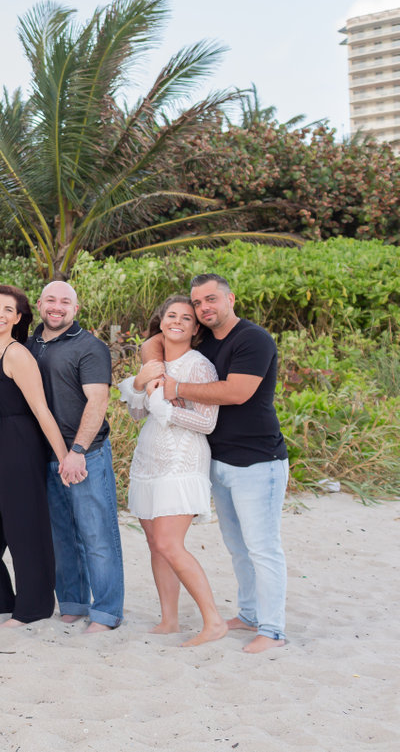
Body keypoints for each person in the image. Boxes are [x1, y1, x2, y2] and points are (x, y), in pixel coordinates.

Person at [137, 273, 289, 653]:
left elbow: (237, 392)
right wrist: (155, 370)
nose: (204, 307)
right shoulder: (205, 338)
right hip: (218, 460)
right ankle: (250, 614)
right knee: (237, 546)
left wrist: (174, 388)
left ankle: (272, 629)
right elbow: (154, 340)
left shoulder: (252, 339)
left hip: (258, 460)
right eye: (197, 302)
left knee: (262, 547)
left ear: (230, 299)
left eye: (211, 299)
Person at [118, 295, 226, 647]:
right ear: (161, 321)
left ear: (195, 329)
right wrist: (140, 384)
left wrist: (166, 408)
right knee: (156, 545)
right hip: (149, 459)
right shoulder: (155, 363)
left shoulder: (199, 366)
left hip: (182, 460)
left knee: (169, 543)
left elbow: (207, 423)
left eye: (186, 318)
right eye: (171, 316)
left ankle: (213, 621)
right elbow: (137, 414)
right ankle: (169, 620)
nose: (177, 321)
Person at [0, 285, 70, 626]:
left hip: (21, 444)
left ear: (18, 318)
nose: (0, 314)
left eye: (9, 310)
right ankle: (1, 602)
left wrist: (64, 458)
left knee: (24, 530)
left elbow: (41, 410)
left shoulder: (18, 355)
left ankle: (33, 609)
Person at [28, 280, 125, 633]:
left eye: (65, 302)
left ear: (76, 309)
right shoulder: (29, 345)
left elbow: (98, 401)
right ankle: (72, 603)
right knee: (61, 536)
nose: (57, 307)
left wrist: (78, 451)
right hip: (45, 455)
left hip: (86, 455)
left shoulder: (90, 347)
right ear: (40, 304)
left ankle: (107, 612)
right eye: (51, 300)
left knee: (97, 535)